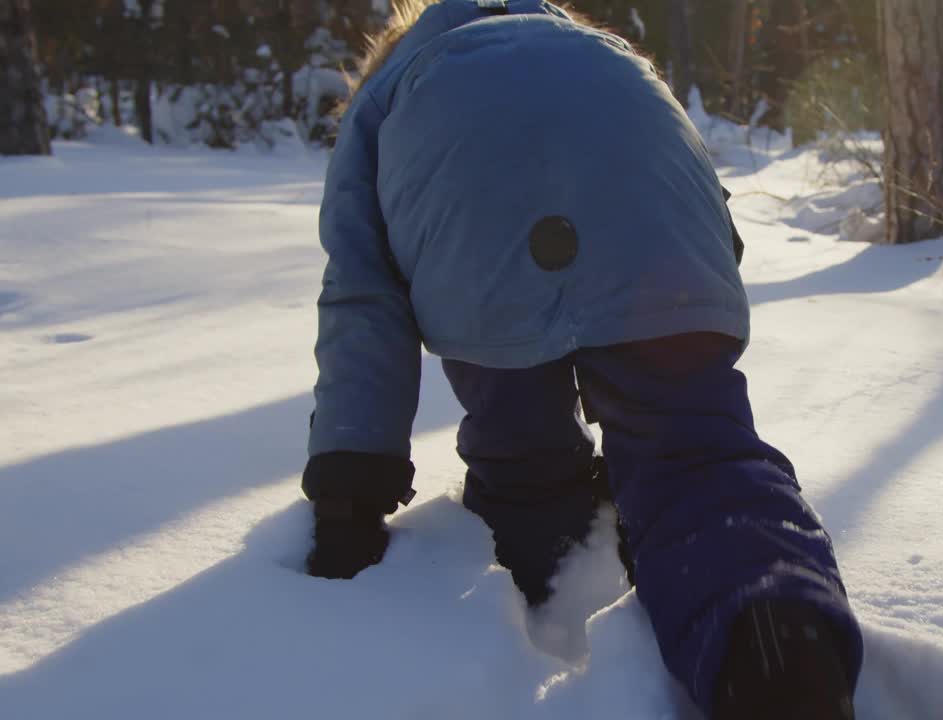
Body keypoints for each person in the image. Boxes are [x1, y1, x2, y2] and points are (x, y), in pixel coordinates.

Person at [300, 1, 863, 717]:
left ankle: (552, 572)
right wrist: (680, 309)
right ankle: (778, 649)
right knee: (697, 454)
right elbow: (682, 162)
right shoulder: (597, 46)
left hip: (475, 240)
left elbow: (360, 294)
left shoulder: (387, 93)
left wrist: (353, 489)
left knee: (522, 458)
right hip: (656, 221)